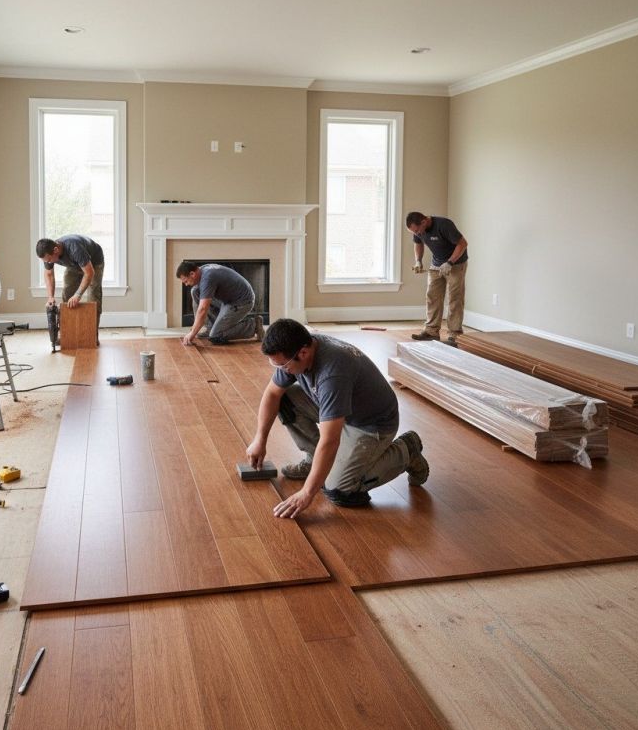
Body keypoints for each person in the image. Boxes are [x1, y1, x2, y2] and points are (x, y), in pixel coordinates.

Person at [246, 319, 429, 518]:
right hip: (342, 410)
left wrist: (307, 493)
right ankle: (312, 458)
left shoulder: (332, 374)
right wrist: (260, 439)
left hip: (371, 424)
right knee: (284, 400)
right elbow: (272, 394)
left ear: (303, 353)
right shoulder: (300, 349)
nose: (280, 370)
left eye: (283, 365)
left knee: (340, 490)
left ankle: (406, 450)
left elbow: (330, 440)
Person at [406, 212, 468, 346]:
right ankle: (431, 331)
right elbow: (418, 243)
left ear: (423, 222)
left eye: (416, 230)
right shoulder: (417, 231)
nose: (416, 233)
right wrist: (418, 261)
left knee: (455, 298)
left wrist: (450, 262)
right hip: (436, 263)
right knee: (432, 296)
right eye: (413, 232)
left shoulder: (444, 225)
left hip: (456, 264)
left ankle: (455, 334)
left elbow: (462, 244)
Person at [176, 260, 265, 346]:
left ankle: (254, 325)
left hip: (242, 301)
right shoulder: (202, 271)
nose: (186, 284)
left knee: (215, 336)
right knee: (195, 291)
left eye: (186, 281)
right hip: (227, 299)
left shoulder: (208, 277)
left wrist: (192, 333)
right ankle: (211, 327)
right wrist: (195, 328)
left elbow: (203, 309)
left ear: (192, 274)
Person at [36, 235, 104, 342]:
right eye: (46, 261)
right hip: (73, 264)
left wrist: (78, 294)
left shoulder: (75, 248)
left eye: (49, 260)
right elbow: (49, 274)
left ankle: (92, 337)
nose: (48, 263)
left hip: (94, 263)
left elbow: (89, 273)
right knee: (67, 295)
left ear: (56, 250)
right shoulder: (47, 254)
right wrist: (50, 297)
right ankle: (68, 336)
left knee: (94, 297)